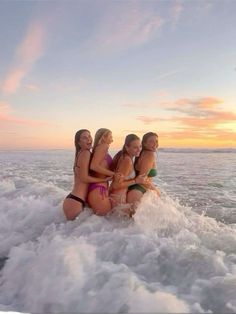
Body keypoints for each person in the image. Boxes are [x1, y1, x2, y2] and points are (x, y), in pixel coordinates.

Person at [63, 129, 110, 220]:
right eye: (85, 138)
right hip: (76, 201)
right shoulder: (85, 153)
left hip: (73, 200)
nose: (89, 139)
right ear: (79, 142)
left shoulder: (80, 153)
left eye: (89, 136)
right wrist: (104, 180)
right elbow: (84, 178)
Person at [110, 134, 147, 215]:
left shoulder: (124, 156)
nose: (139, 150)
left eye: (140, 146)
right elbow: (116, 185)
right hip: (119, 199)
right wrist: (136, 181)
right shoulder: (127, 160)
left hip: (118, 196)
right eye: (135, 147)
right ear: (127, 147)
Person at [127, 132, 160, 207]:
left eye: (156, 141)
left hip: (135, 189)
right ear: (144, 144)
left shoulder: (141, 153)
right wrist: (155, 190)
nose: (155, 144)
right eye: (151, 141)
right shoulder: (150, 154)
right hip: (139, 190)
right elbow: (142, 179)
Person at [87, 128, 115, 215]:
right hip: (99, 190)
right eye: (110, 137)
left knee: (100, 224)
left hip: (98, 188)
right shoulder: (103, 146)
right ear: (103, 137)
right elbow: (94, 166)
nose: (112, 140)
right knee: (105, 222)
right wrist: (114, 174)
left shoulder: (98, 148)